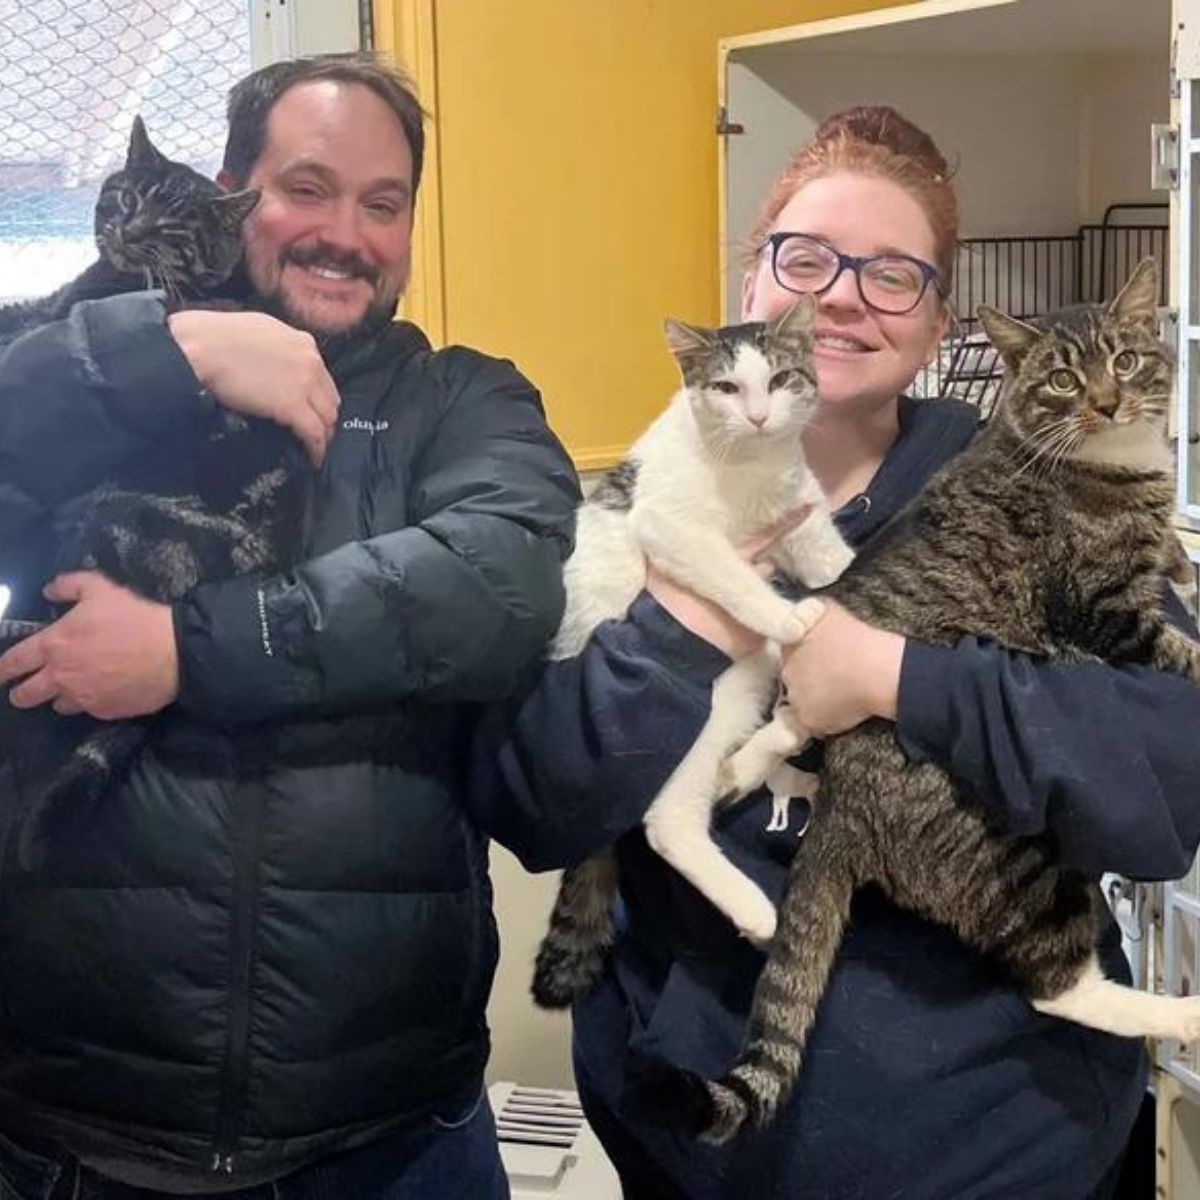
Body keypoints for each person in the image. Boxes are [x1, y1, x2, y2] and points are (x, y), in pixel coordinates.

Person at [491, 107, 1200, 1199]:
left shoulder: (1045, 476)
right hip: (704, 1134)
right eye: (806, 257)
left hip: (1009, 1133)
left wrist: (898, 678)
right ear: (750, 289)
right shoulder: (642, 499)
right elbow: (538, 800)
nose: (840, 295)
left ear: (939, 324)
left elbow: (1172, 772)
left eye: (892, 274)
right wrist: (690, 623)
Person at [0, 52, 647, 1199]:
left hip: (391, 1140)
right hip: (81, 1135)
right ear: (233, 185)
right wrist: (174, 353)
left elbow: (493, 588)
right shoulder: (106, 357)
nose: (345, 232)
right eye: (307, 187)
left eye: (383, 203)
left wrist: (184, 652)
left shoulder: (462, 400)